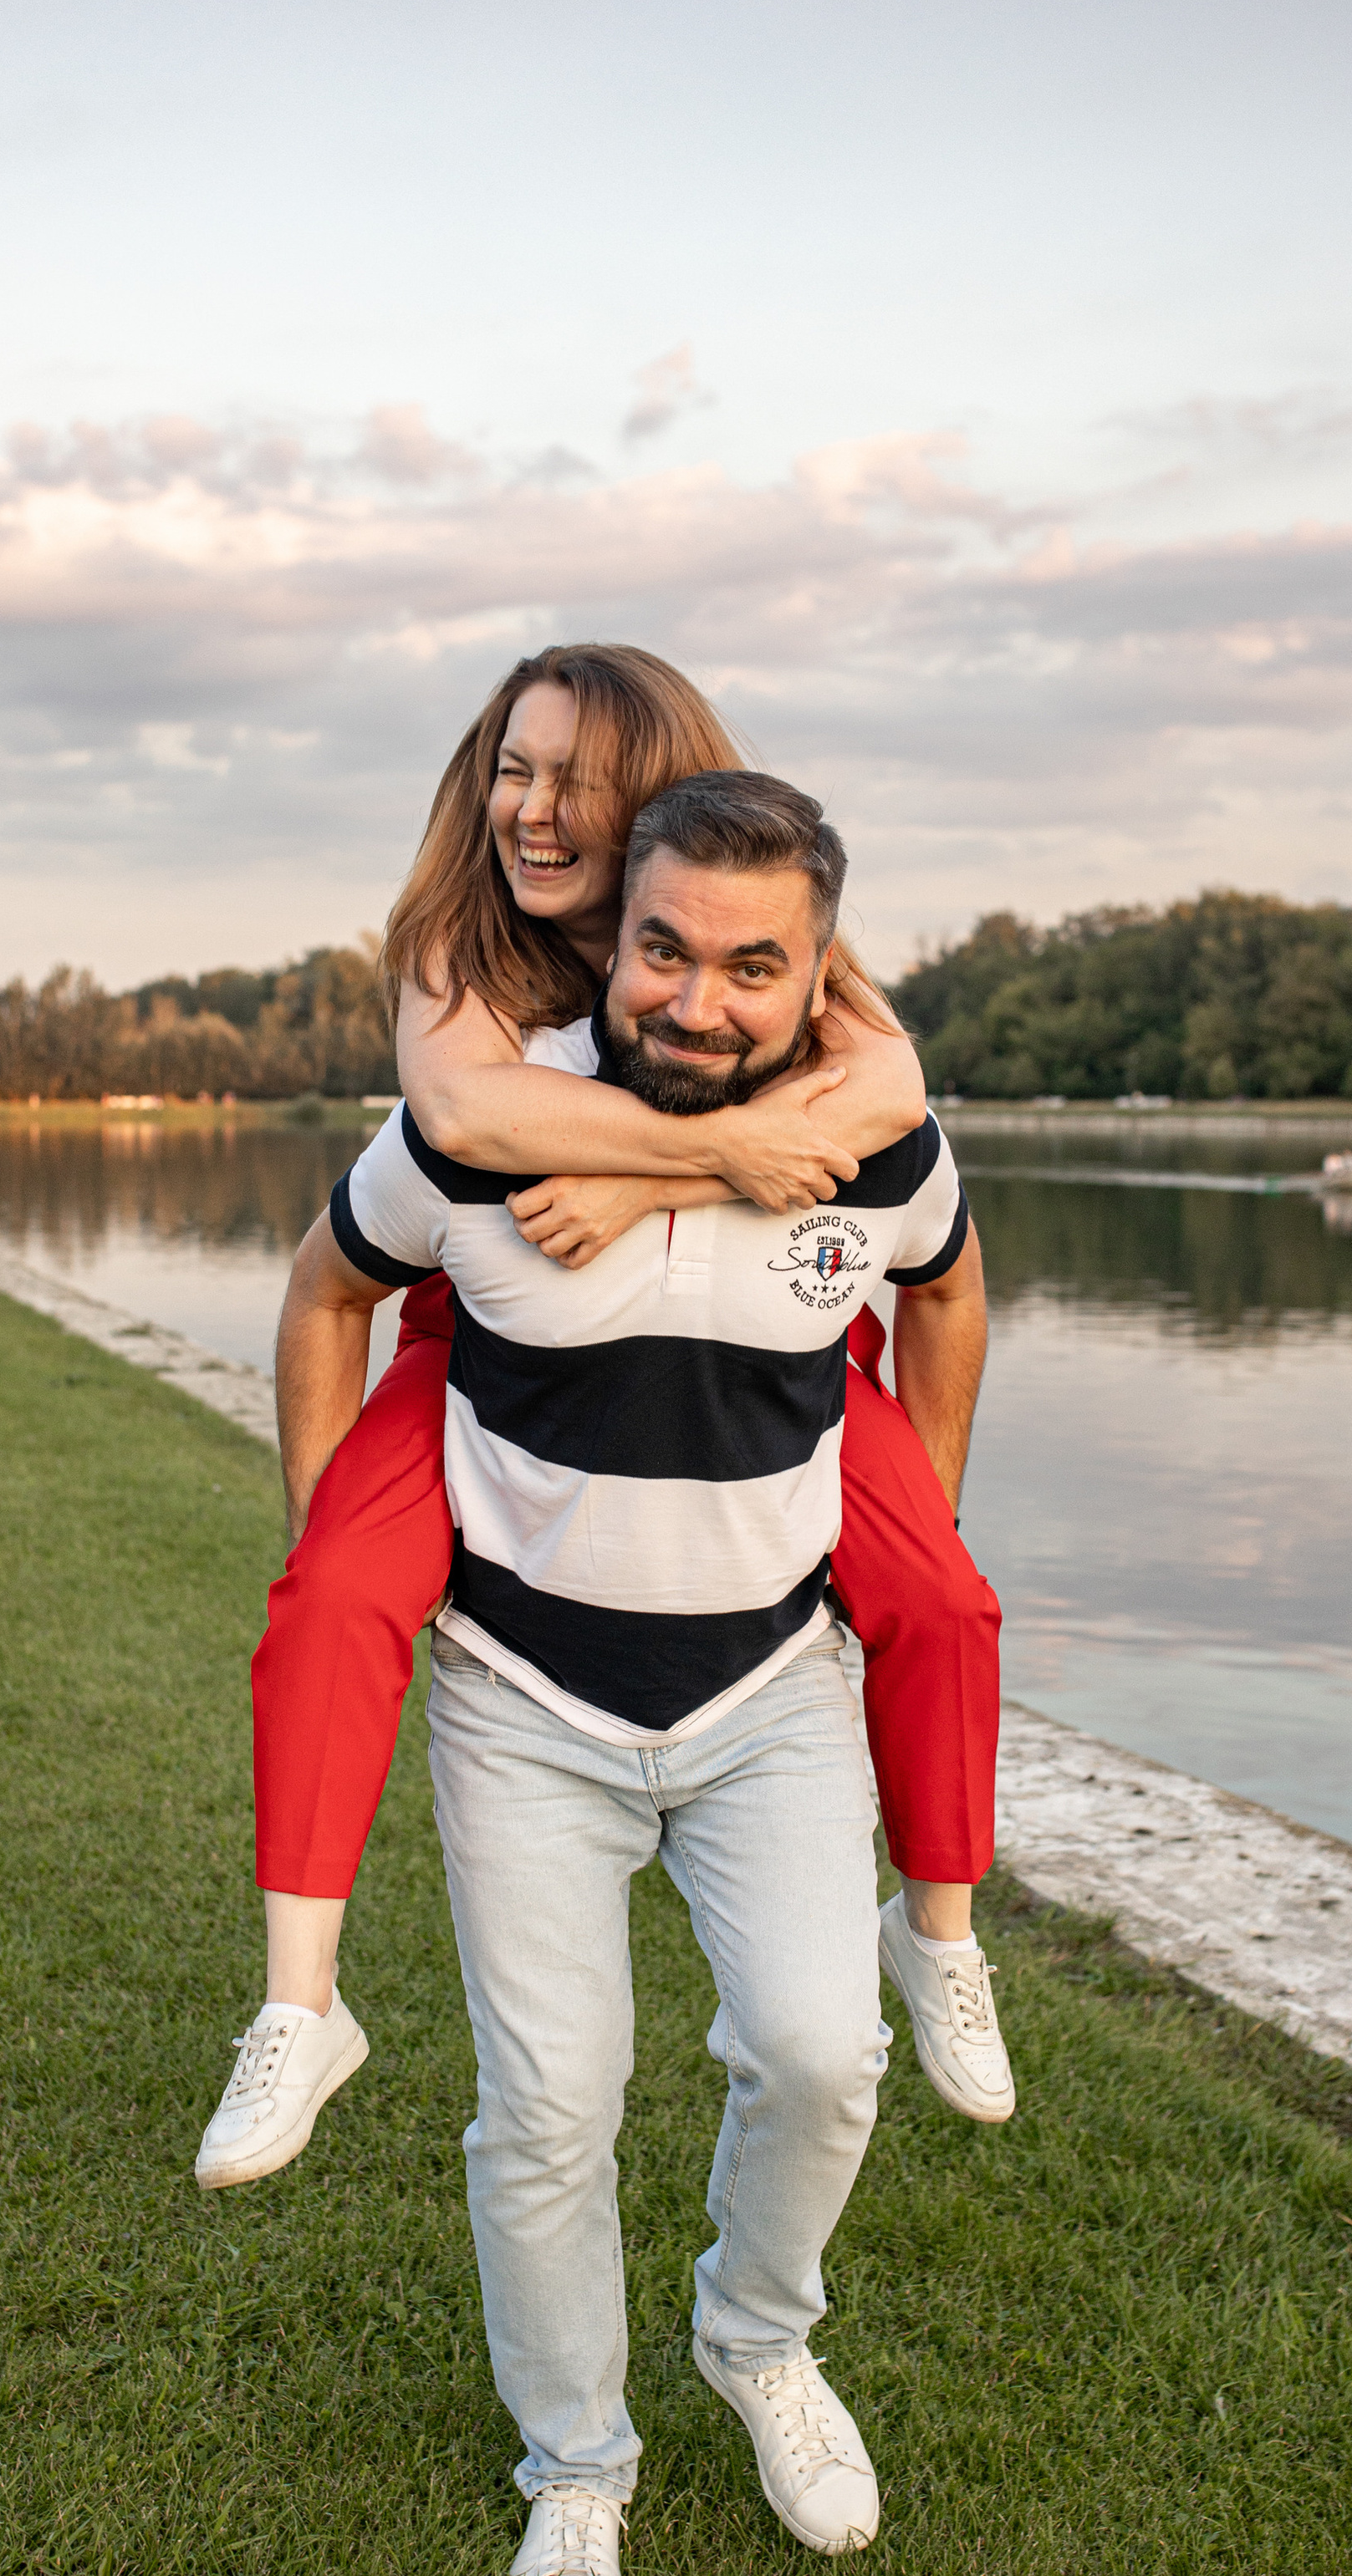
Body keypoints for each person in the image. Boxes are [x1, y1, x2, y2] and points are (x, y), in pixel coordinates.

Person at [273, 770, 992, 2576]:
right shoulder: (482, 1130)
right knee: (548, 2106)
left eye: (754, 965)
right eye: (662, 948)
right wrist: (342, 1545)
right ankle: (575, 2466)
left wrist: (913, 1518)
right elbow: (319, 1292)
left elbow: (950, 1294)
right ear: (615, 939)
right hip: (524, 1700)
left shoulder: (872, 1142)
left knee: (827, 2056)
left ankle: (754, 2344)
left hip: (770, 1692)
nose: (697, 997)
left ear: (820, 974)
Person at [194, 646, 1011, 2196]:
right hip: (489, 1327)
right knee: (338, 1593)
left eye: (574, 777)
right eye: (514, 766)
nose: (534, 806)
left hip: (767, 1350)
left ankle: (940, 1929)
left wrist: (649, 1177)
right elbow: (469, 1123)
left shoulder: (729, 900)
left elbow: (885, 1083)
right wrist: (710, 1156)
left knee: (938, 1592)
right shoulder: (454, 943)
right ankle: (299, 2004)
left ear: (651, 798)